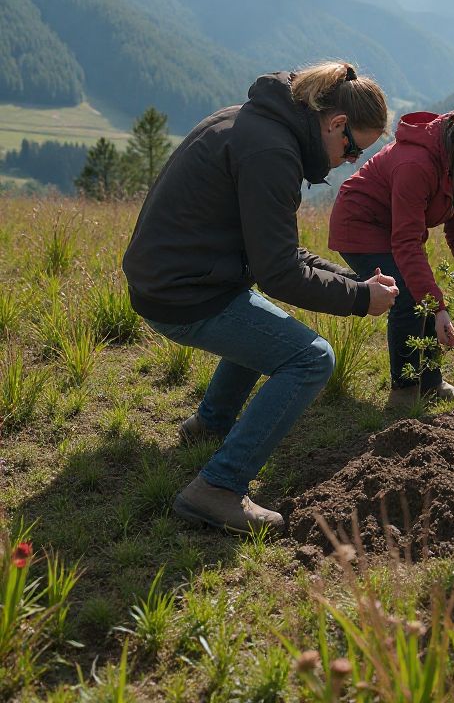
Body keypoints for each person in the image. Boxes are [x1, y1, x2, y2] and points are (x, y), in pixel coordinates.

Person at [122, 63, 399, 534]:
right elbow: (279, 273)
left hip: (173, 280)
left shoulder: (255, 121)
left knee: (271, 327)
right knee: (311, 359)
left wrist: (355, 282)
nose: (350, 161)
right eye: (353, 149)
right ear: (335, 124)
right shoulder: (272, 152)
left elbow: (279, 253)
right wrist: (358, 299)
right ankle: (218, 488)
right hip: (180, 295)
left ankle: (210, 424)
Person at [328, 110, 454, 408]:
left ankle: (430, 384)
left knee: (421, 293)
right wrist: (438, 307)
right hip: (359, 224)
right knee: (409, 296)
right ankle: (404, 393)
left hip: (393, 228)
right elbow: (406, 243)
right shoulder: (417, 163)